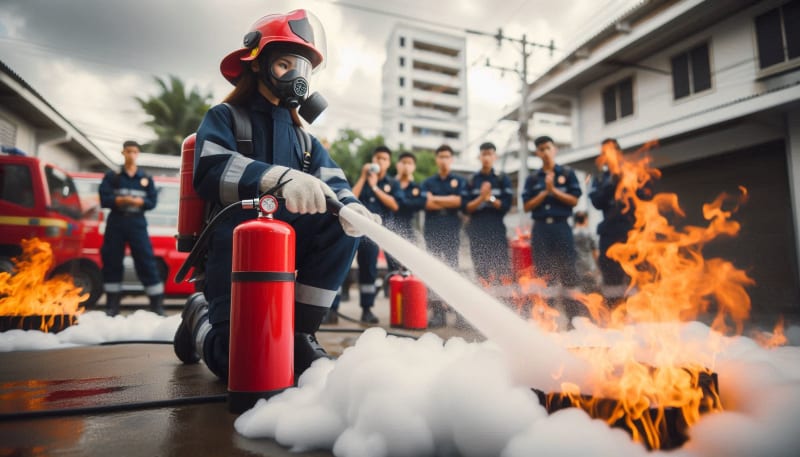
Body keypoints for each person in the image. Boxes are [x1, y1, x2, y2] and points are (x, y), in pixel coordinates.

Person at [172, 9, 377, 381]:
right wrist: (277, 178)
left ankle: (298, 332)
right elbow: (209, 169)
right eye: (285, 64)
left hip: (285, 242)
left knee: (343, 226)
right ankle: (197, 313)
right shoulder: (226, 117)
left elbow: (335, 182)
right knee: (235, 363)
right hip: (232, 247)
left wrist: (352, 208)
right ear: (256, 64)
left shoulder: (304, 138)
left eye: (302, 68)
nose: (295, 77)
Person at [98, 140, 164, 317]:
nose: (131, 155)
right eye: (128, 151)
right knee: (112, 260)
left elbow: (152, 202)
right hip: (116, 222)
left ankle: (157, 305)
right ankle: (112, 305)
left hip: (137, 223)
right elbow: (104, 199)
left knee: (145, 260)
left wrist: (138, 202)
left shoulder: (145, 178)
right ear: (123, 153)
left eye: (134, 152)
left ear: (138, 154)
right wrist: (120, 201)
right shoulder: (113, 177)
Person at [521, 135, 583, 324]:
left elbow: (574, 200)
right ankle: (548, 321)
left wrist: (554, 190)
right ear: (537, 153)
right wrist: (545, 192)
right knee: (543, 274)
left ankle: (574, 321)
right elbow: (527, 205)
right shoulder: (532, 178)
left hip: (561, 226)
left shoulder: (567, 173)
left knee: (568, 273)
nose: (545, 152)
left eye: (548, 147)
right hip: (541, 229)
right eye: (541, 149)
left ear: (554, 149)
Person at [589, 138, 653, 303]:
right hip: (609, 235)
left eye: (611, 151)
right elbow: (596, 202)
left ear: (619, 153)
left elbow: (646, 198)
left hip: (632, 234)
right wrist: (613, 183)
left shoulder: (634, 172)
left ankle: (639, 314)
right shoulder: (599, 179)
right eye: (604, 152)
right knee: (611, 281)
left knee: (637, 276)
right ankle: (613, 316)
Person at [351, 146, 400, 323]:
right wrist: (364, 177)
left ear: (389, 163)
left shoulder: (392, 183)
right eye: (377, 158)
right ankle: (359, 309)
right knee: (356, 268)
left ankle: (379, 309)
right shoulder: (362, 181)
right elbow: (350, 197)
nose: (380, 162)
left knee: (381, 270)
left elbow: (394, 205)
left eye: (384, 159)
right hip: (359, 231)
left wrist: (374, 187)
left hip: (380, 233)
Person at [421, 144, 466, 327]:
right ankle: (438, 313)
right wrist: (448, 201)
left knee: (452, 269)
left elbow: (459, 201)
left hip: (451, 228)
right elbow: (427, 203)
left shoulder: (459, 181)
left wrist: (437, 199)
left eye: (447, 156)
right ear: (436, 159)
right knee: (434, 270)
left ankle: (458, 312)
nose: (444, 160)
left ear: (452, 159)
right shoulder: (428, 182)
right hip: (432, 228)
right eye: (441, 157)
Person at [463, 142, 513, 285]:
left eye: (489, 154)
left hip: (496, 228)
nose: (486, 157)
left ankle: (502, 302)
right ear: (479, 156)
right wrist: (481, 198)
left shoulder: (502, 179)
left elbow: (506, 206)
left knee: (501, 270)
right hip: (477, 229)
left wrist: (490, 198)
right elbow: (466, 208)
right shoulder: (472, 180)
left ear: (495, 156)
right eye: (483, 154)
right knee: (481, 271)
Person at [572, 210, 600, 293]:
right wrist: (598, 266)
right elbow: (595, 251)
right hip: (589, 266)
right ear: (585, 219)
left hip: (576, 266)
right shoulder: (590, 233)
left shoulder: (570, 234)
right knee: (591, 290)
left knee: (578, 290)